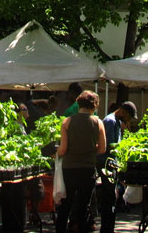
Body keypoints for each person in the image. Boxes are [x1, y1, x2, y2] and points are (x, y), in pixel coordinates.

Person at [55, 90, 106, 233]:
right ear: (94, 106)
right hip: (88, 168)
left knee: (65, 205)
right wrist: (90, 149)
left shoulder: (67, 122)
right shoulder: (98, 123)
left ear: (78, 104)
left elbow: (63, 149)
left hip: (69, 169)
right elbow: (102, 148)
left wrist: (55, 154)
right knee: (84, 206)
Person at [97, 101, 136, 233]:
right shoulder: (110, 121)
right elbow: (108, 146)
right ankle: (106, 229)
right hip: (107, 164)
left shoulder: (117, 122)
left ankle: (109, 228)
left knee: (112, 198)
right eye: (129, 117)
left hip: (112, 164)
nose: (129, 120)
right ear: (123, 112)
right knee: (108, 199)